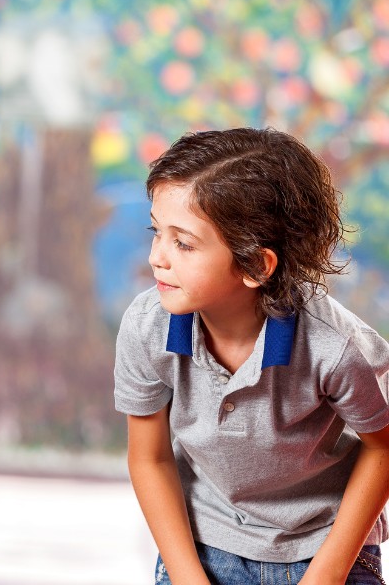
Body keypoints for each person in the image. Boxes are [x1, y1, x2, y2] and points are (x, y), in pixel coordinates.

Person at [116, 128, 389, 585]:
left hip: (324, 548)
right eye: (156, 231)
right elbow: (150, 459)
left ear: (255, 265)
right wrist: (188, 578)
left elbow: (383, 448)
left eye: (182, 243)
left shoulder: (335, 346)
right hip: (204, 547)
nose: (156, 257)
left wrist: (326, 575)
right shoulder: (148, 325)